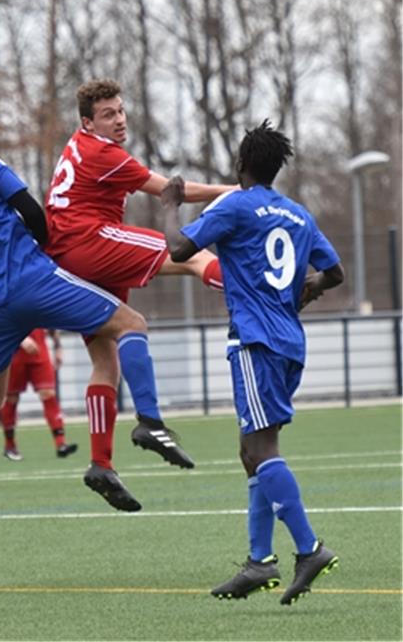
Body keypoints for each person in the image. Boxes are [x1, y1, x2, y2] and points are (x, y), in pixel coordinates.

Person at [0, 113, 188, 543]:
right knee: (130, 324)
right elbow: (29, 208)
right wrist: (38, 246)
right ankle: (149, 420)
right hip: (31, 277)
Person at [161, 119, 345, 606]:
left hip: (255, 342)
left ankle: (309, 548)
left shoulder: (236, 206)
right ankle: (259, 561)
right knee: (253, 452)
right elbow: (336, 272)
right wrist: (311, 288)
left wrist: (171, 207)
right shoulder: (299, 214)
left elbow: (179, 249)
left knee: (260, 450)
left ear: (241, 164)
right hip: (289, 343)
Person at [45, 78, 234, 476]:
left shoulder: (78, 145)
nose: (118, 120)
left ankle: (101, 465)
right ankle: (150, 420)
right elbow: (172, 191)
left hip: (66, 255)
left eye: (120, 110)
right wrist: (235, 190)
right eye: (107, 114)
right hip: (89, 243)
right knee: (194, 256)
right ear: (87, 122)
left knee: (105, 361)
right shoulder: (101, 152)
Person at [0, 329, 78, 461]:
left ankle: (61, 443)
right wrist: (21, 339)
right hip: (14, 354)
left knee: (48, 394)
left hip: (40, 352)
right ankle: (10, 445)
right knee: (12, 398)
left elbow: (51, 319)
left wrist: (58, 347)